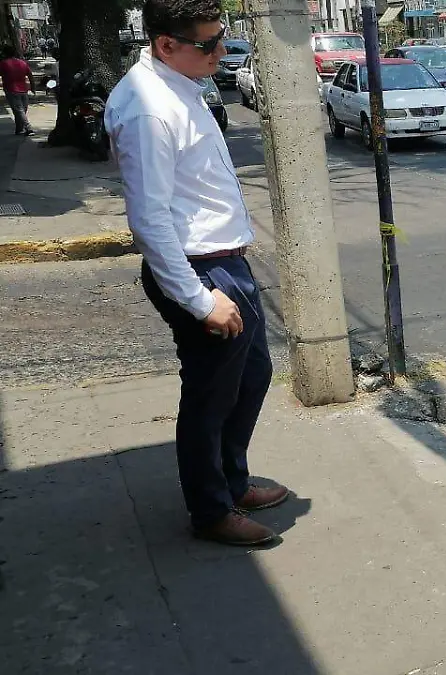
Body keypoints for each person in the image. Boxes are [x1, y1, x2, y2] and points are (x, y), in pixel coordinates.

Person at [104, 0, 287, 546]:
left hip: (224, 261)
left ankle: (232, 481)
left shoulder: (178, 84)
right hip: (200, 268)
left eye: (221, 37)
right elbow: (148, 217)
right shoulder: (149, 109)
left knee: (250, 378)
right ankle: (210, 510)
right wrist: (201, 299)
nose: (222, 51)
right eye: (209, 43)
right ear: (166, 45)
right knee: (210, 396)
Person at [0, 44, 35, 135]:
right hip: (24, 89)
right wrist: (33, 87)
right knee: (21, 110)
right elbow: (30, 75)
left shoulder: (3, 63)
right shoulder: (22, 62)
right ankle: (19, 129)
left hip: (11, 90)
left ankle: (28, 128)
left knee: (19, 110)